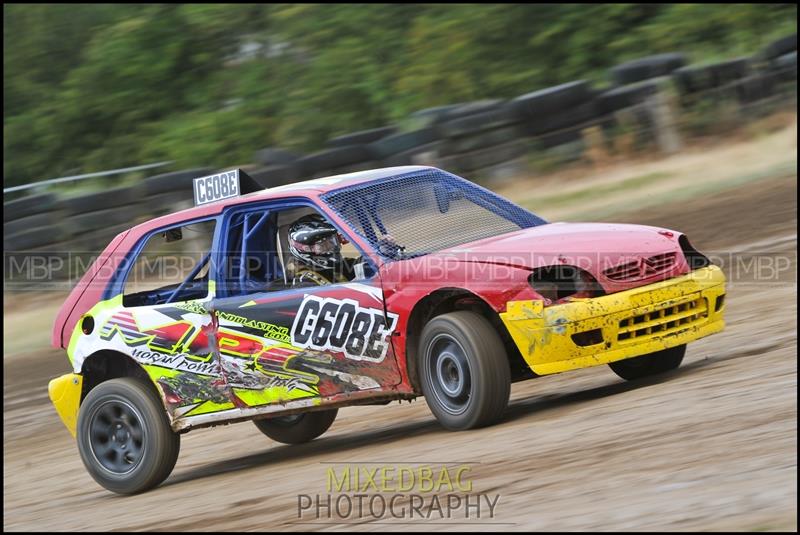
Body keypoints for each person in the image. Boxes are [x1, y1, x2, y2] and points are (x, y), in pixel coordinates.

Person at [286, 214, 353, 286]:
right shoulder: (304, 282)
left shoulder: (340, 266)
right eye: (323, 245)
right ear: (306, 250)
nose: (330, 247)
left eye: (332, 241)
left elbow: (361, 263)